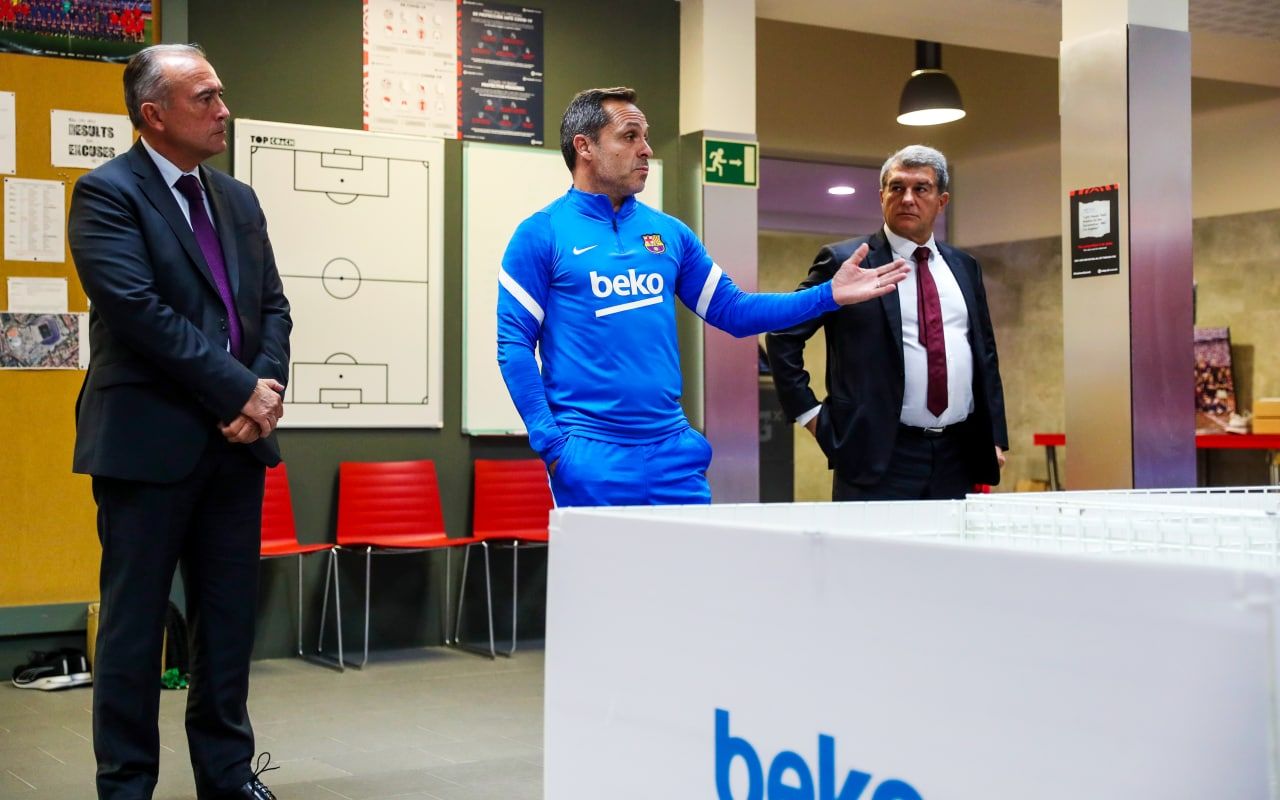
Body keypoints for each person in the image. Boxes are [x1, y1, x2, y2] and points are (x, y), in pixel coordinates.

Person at [496, 87, 909, 507]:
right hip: (590, 454)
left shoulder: (670, 234)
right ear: (584, 146)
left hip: (673, 453)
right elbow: (513, 345)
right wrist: (552, 445)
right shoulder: (541, 234)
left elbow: (734, 310)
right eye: (629, 136)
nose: (646, 149)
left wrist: (828, 296)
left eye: (645, 136)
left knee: (693, 572)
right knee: (604, 575)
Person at [68, 44, 291, 800]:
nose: (223, 109)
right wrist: (239, 391)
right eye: (205, 97)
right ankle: (126, 784)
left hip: (235, 448)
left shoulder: (237, 199)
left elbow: (271, 308)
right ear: (153, 114)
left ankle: (227, 776)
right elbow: (139, 313)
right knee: (135, 633)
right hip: (146, 445)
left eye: (221, 94)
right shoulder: (106, 193)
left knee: (227, 628)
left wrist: (265, 389)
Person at [767, 144, 1007, 501]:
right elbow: (783, 333)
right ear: (881, 196)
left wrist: (996, 436)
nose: (907, 198)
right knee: (869, 558)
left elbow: (984, 353)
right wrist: (811, 416)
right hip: (876, 455)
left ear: (941, 202)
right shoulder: (846, 261)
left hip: (957, 454)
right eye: (897, 188)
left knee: (948, 558)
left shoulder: (963, 266)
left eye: (920, 188)